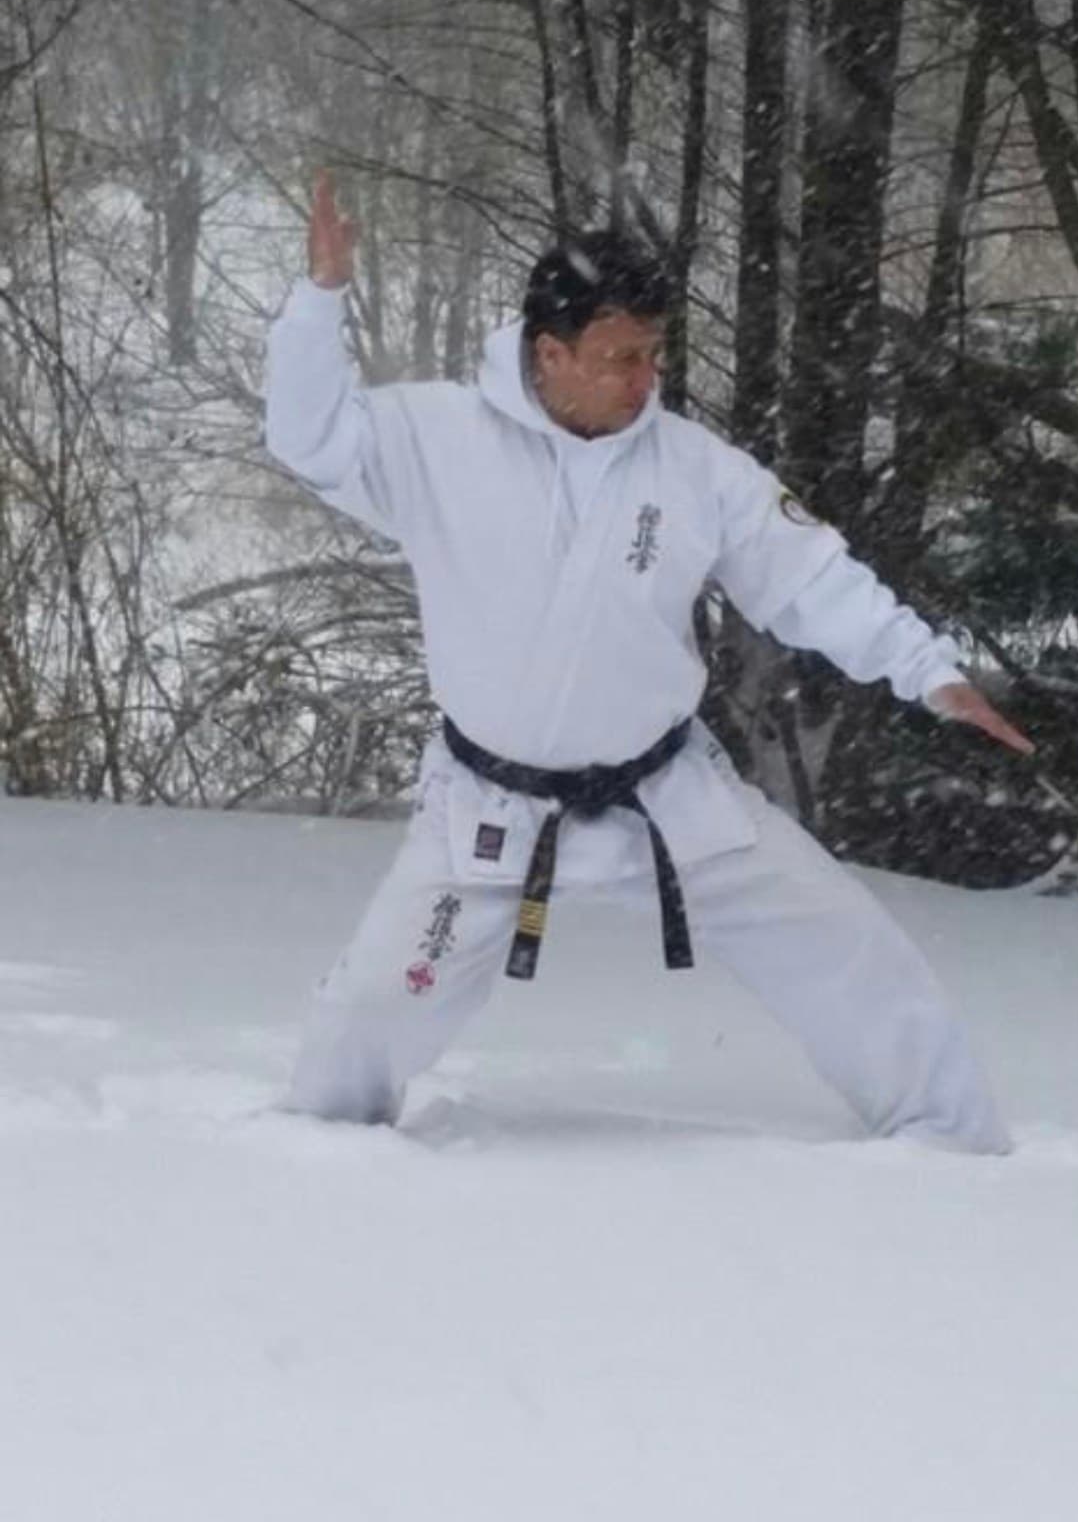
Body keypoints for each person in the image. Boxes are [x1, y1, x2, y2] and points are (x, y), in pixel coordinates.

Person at [265, 173, 1032, 1152]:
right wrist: (320, 299)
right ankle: (312, 1161)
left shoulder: (693, 469)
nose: (643, 377)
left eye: (653, 354)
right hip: (489, 811)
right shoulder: (435, 438)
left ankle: (956, 1142)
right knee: (370, 1015)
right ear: (551, 354)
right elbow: (307, 434)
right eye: (619, 356)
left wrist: (926, 667)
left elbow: (809, 575)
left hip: (665, 795)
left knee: (848, 947)